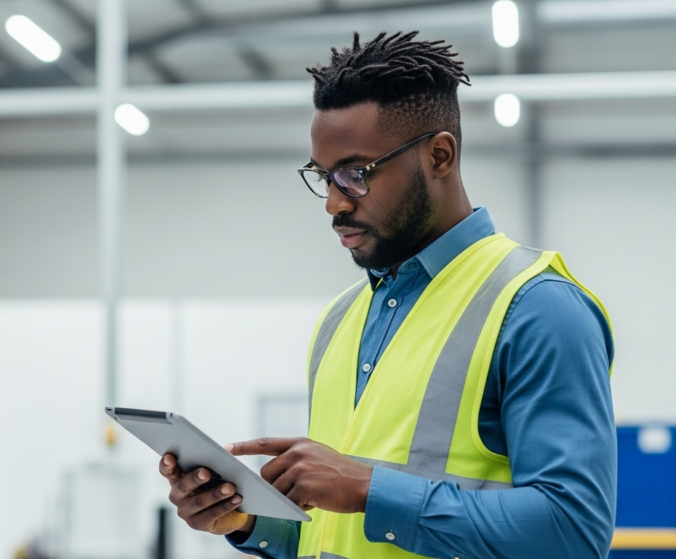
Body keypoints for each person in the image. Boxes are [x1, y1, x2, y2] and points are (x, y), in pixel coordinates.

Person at [158, 31, 616, 559]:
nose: (333, 203)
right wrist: (243, 519)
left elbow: (574, 533)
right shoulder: (341, 319)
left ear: (439, 156)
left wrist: (367, 489)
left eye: (355, 174)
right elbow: (334, 532)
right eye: (322, 176)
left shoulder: (538, 308)